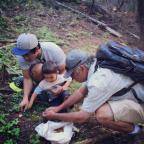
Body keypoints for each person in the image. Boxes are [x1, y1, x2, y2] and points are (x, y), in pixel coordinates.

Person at [42, 49, 144, 135]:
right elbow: (81, 92)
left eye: (73, 75)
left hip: (141, 103)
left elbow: (82, 117)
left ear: (81, 68)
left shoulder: (98, 82)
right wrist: (58, 108)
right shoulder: (97, 65)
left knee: (102, 114)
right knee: (96, 104)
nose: (72, 79)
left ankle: (136, 131)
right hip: (135, 94)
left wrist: (54, 116)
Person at [11, 33, 66, 111]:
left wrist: (59, 86)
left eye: (27, 55)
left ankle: (44, 90)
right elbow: (27, 78)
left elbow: (63, 71)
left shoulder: (53, 50)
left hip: (55, 76)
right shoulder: (21, 57)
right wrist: (25, 98)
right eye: (23, 55)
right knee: (37, 69)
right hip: (38, 76)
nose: (25, 58)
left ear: (36, 49)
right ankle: (40, 88)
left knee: (40, 68)